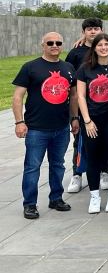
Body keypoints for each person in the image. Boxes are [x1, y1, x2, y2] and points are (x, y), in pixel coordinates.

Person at [12, 32, 77, 219]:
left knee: (58, 165)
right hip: (36, 128)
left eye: (58, 42)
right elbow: (18, 97)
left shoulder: (68, 67)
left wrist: (75, 118)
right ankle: (30, 204)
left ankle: (56, 198)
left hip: (61, 127)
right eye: (50, 43)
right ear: (43, 45)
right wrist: (19, 122)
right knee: (32, 167)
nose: (54, 45)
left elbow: (73, 96)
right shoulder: (30, 67)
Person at [76, 33, 108, 213]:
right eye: (100, 45)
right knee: (93, 158)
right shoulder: (85, 68)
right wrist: (87, 121)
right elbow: (81, 96)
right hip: (92, 120)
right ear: (94, 48)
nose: (103, 48)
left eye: (107, 44)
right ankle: (94, 196)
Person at [66, 17, 104, 194]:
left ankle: (104, 171)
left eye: (96, 28)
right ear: (83, 32)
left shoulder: (105, 49)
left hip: (103, 103)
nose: (93, 32)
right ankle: (77, 173)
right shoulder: (76, 52)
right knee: (80, 140)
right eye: (89, 29)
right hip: (82, 103)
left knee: (103, 139)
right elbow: (68, 78)